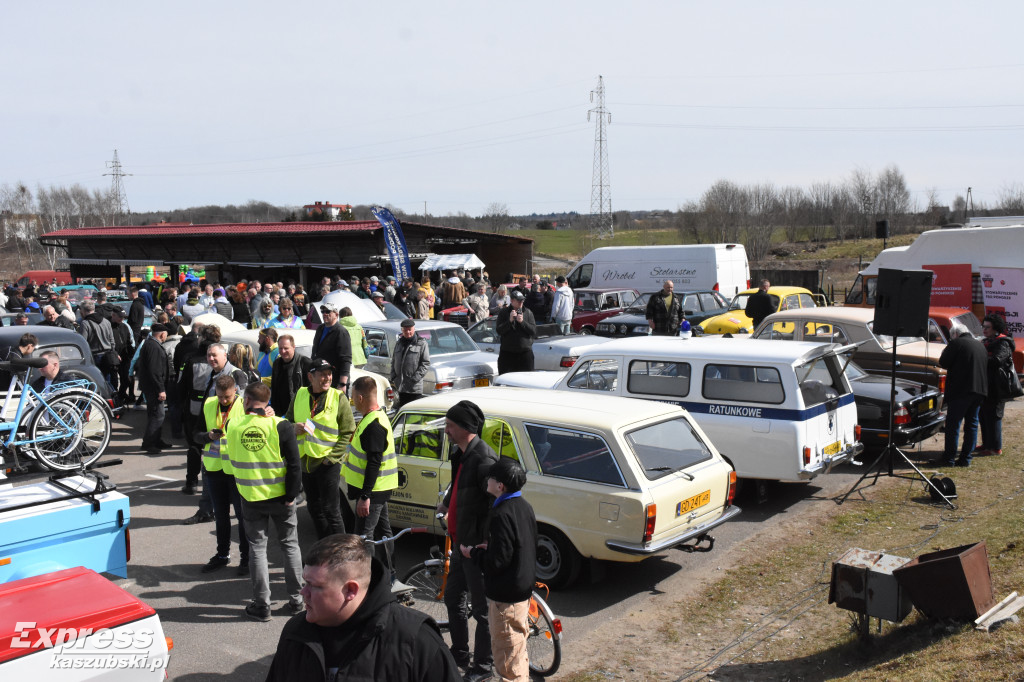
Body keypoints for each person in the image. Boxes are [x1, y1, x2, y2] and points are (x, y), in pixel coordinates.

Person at [265, 533, 461, 681]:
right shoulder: (296, 632)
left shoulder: (416, 640)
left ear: (350, 590)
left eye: (314, 586)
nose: (303, 592)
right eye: (305, 582)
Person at [226, 381, 303, 621]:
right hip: (281, 497)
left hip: (250, 497)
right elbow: (295, 465)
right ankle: (297, 600)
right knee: (289, 545)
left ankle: (262, 605)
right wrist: (291, 495)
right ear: (267, 402)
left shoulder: (232, 424)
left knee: (258, 549)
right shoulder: (280, 425)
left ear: (246, 400)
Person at [435, 400, 498, 677]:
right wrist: (447, 501)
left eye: (450, 425)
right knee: (453, 597)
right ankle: (460, 652)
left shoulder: (484, 460)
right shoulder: (461, 454)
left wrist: (485, 542)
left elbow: (496, 504)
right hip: (461, 543)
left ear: (465, 428)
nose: (446, 430)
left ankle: (483, 665)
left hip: (475, 547)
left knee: (483, 611)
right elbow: (460, 483)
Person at [463, 457, 537, 682]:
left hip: (506, 597)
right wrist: (493, 548)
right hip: (522, 591)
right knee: (517, 652)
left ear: (500, 486)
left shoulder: (501, 514)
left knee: (507, 662)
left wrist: (473, 553)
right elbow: (520, 545)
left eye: (491, 477)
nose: (487, 480)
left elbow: (497, 562)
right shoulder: (524, 506)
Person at [287, 358, 355, 540]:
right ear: (310, 377)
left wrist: (331, 458)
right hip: (306, 462)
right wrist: (293, 427)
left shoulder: (338, 397)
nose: (327, 378)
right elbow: (287, 421)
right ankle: (325, 548)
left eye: (329, 374)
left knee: (331, 511)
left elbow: (348, 431)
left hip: (327, 463)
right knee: (314, 508)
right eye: (323, 374)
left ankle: (342, 551)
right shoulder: (300, 394)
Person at [196, 375, 249, 576]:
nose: (224, 400)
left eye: (227, 397)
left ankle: (246, 558)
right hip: (214, 469)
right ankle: (222, 555)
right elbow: (195, 434)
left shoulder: (244, 406)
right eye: (220, 397)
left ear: (235, 390)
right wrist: (207, 436)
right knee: (221, 516)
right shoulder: (209, 404)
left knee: (242, 517)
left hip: (236, 471)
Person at [344, 376, 398, 565]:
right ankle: (389, 572)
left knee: (364, 538)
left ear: (360, 398)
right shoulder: (376, 417)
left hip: (372, 492)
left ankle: (367, 576)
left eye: (353, 397)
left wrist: (365, 496)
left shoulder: (374, 425)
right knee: (383, 533)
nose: (352, 401)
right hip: (378, 489)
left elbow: (374, 463)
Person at [939, 327, 988, 467]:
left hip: (960, 390)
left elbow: (943, 362)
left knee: (953, 425)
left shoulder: (956, 343)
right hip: (979, 390)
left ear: (955, 334)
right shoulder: (980, 345)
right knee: (972, 425)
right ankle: (966, 458)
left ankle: (949, 458)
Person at [978, 314, 1015, 457]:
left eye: (988, 327)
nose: (984, 329)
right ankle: (987, 443)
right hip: (986, 383)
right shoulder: (987, 341)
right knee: (984, 414)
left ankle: (995, 447)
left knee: (994, 415)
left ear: (996, 329)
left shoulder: (1003, 343)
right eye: (983, 326)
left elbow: (997, 361)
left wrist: (980, 357)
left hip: (998, 385)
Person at [137, 323, 173, 453]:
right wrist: (161, 389)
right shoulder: (154, 347)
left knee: (156, 414)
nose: (166, 337)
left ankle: (157, 440)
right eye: (166, 335)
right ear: (162, 334)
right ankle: (149, 443)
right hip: (153, 387)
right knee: (157, 415)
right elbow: (155, 370)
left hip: (150, 386)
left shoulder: (150, 344)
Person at [311, 302, 352, 392]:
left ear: (336, 315)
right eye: (323, 311)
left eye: (328, 311)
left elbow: (346, 359)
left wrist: (342, 383)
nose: (324, 314)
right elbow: (315, 352)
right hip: (320, 379)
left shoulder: (341, 332)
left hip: (334, 380)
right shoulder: (320, 328)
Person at [390, 319, 431, 409]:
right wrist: (393, 376)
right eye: (405, 330)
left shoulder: (421, 343)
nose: (408, 332)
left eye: (410, 329)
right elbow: (394, 360)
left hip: (414, 388)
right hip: (400, 387)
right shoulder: (399, 343)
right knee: (403, 411)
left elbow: (425, 363)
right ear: (402, 330)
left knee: (414, 412)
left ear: (414, 329)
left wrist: (414, 379)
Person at [495, 290, 537, 374]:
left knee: (527, 379)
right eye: (518, 300)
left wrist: (522, 322)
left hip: (525, 353)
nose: (521, 302)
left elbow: (533, 331)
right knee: (505, 379)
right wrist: (510, 321)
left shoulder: (528, 312)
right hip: (507, 353)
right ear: (512, 301)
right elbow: (499, 330)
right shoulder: (504, 312)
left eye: (522, 300)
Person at [270, 334, 311, 415]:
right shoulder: (277, 363)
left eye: (286, 348)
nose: (283, 351)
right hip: (280, 411)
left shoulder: (305, 363)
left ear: (293, 347)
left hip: (299, 409)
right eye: (280, 348)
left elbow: (312, 389)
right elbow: (274, 388)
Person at [110, 307, 136, 407]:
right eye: (120, 317)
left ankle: (121, 396)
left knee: (126, 379)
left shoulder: (124, 326)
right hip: (113, 357)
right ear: (113, 315)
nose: (122, 319)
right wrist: (114, 354)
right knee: (114, 381)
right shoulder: (109, 326)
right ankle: (115, 399)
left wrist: (131, 352)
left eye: (123, 317)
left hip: (125, 357)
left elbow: (129, 340)